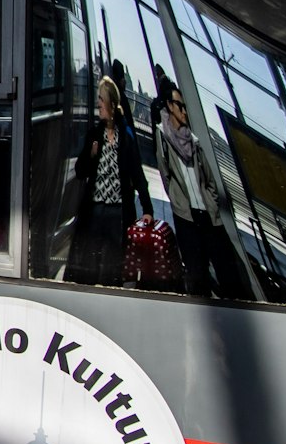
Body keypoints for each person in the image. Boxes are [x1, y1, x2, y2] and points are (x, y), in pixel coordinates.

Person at [152, 81, 247, 301]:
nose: (184, 111)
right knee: (197, 276)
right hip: (186, 216)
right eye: (179, 106)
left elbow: (210, 181)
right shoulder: (163, 137)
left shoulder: (193, 140)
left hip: (208, 216)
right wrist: (178, 202)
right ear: (169, 106)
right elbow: (166, 175)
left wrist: (212, 203)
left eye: (185, 107)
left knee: (228, 275)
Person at [68, 75, 154, 286]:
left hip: (118, 213)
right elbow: (80, 171)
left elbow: (137, 175)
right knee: (89, 265)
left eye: (101, 99)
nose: (98, 103)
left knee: (112, 267)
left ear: (112, 104)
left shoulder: (126, 138)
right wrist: (91, 154)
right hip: (95, 210)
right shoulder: (94, 135)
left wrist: (148, 209)